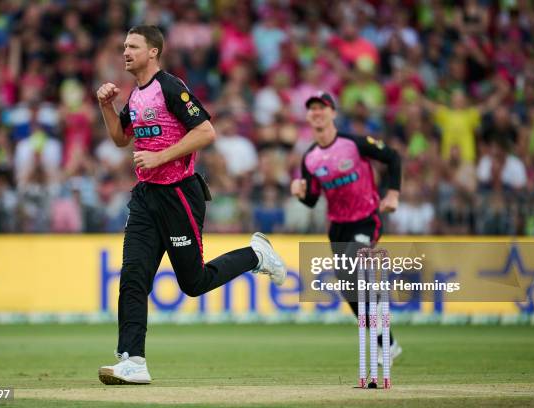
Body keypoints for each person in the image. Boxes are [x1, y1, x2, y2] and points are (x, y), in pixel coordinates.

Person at [96, 25, 286, 385]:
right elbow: (121, 139)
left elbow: (205, 132)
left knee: (193, 282)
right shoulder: (135, 97)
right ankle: (133, 359)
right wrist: (107, 106)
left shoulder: (170, 87)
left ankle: (256, 255)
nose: (125, 51)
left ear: (153, 52)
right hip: (145, 196)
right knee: (133, 276)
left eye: (133, 46)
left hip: (179, 193)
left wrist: (160, 157)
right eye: (124, 46)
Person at [290, 92, 402, 364]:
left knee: (354, 265)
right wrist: (299, 192)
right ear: (307, 117)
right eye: (312, 109)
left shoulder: (354, 143)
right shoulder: (310, 158)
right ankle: (386, 342)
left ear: (333, 113)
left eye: (322, 108)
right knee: (348, 286)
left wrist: (393, 194)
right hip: (337, 225)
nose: (316, 113)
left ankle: (384, 340)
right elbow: (313, 198)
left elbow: (393, 157)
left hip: (366, 218)